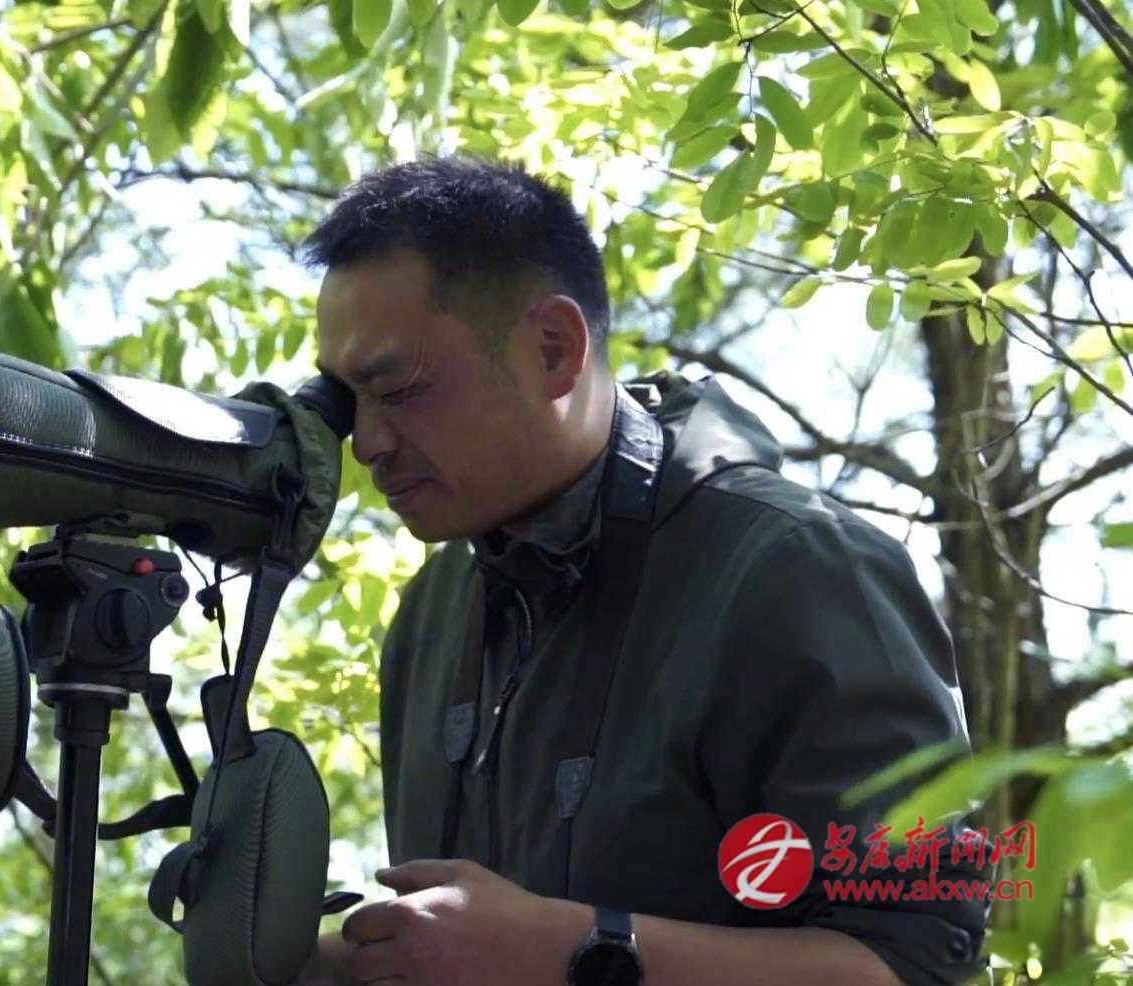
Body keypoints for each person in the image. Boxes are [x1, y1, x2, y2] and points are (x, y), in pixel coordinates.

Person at [296, 157, 990, 986]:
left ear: (553, 350)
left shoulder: (796, 573)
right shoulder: (431, 616)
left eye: (397, 388)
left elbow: (909, 966)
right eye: (345, 401)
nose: (367, 442)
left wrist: (570, 952)